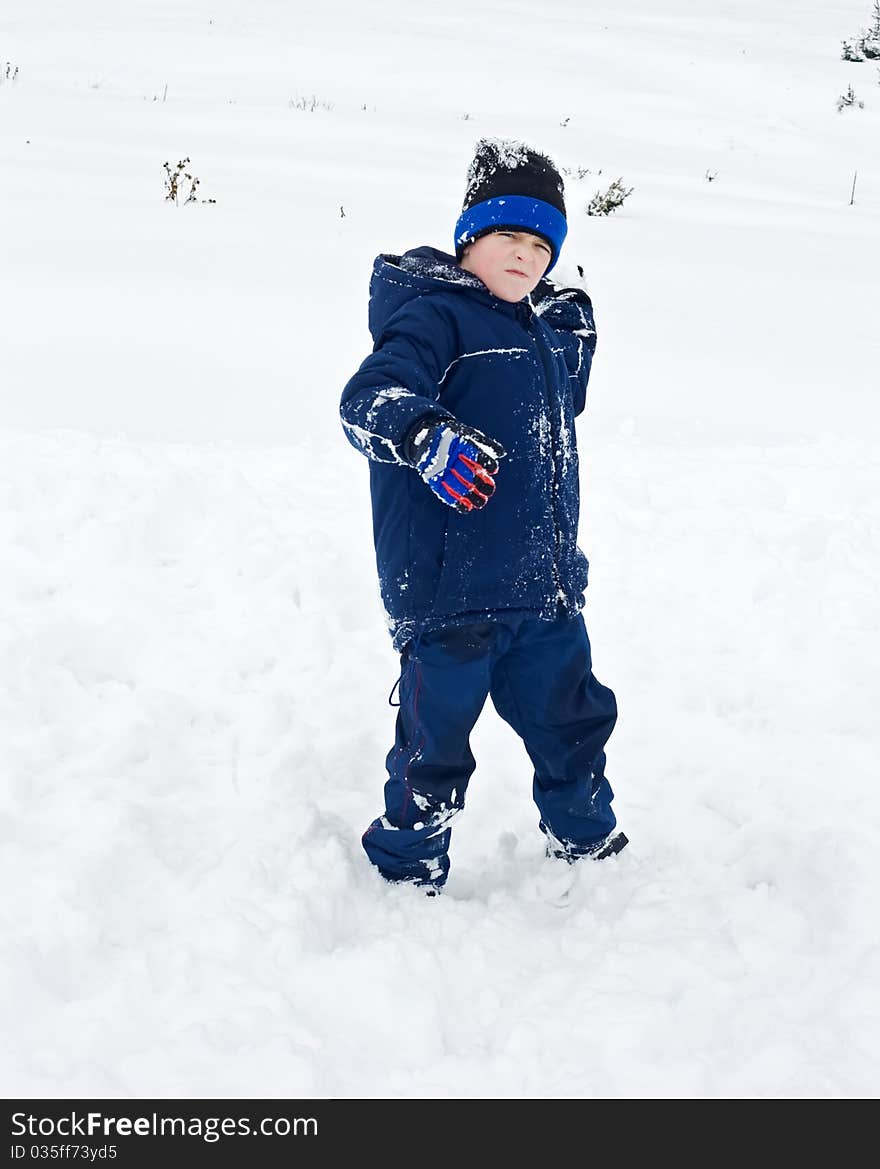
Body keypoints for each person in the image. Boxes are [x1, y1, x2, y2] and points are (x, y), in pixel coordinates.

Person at [340, 136, 627, 893]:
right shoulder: (435, 318)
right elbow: (370, 396)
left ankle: (588, 841)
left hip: (543, 586)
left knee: (572, 723)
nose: (526, 256)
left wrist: (573, 330)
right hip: (452, 592)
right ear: (469, 237)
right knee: (434, 746)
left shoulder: (539, 333)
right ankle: (406, 863)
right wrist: (423, 433)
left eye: (542, 244)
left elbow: (562, 407)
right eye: (508, 235)